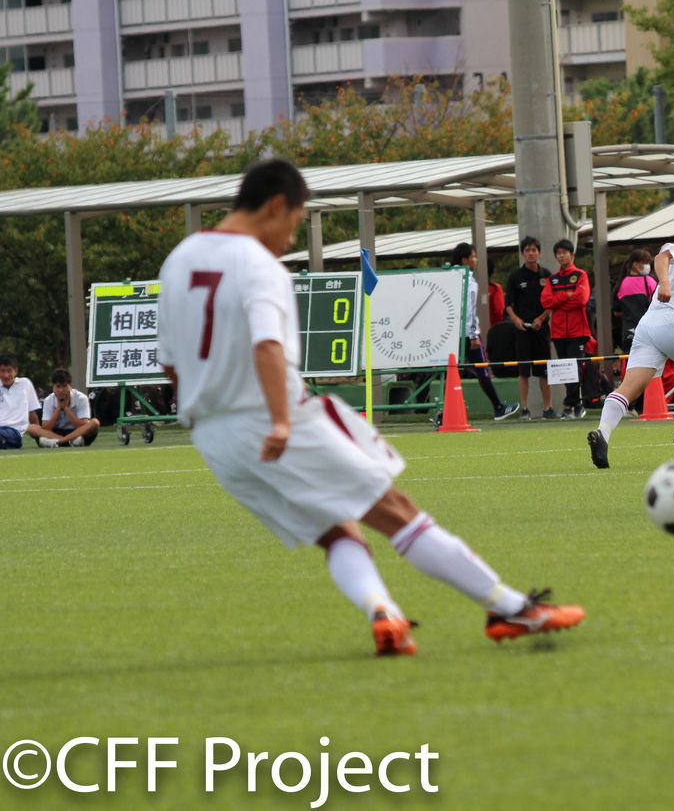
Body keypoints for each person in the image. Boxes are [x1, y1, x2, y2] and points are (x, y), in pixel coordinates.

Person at [156, 159, 583, 656]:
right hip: (272, 422)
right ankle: (511, 608)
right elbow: (267, 346)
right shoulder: (257, 264)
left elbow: (170, 364)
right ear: (276, 205)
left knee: (335, 529)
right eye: (294, 223)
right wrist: (277, 419)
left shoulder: (180, 259)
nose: (291, 238)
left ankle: (383, 611)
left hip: (214, 440)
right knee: (395, 510)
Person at [587, 208, 674, 469]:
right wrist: (665, 284)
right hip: (673, 320)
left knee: (629, 388)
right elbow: (662, 256)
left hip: (649, 325)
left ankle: (602, 433)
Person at [450, 244, 520, 421]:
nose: (476, 260)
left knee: (450, 372)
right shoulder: (468, 279)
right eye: (473, 257)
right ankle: (498, 407)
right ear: (465, 260)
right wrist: (473, 334)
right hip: (467, 334)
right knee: (482, 370)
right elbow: (469, 311)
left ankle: (445, 411)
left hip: (449, 334)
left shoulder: (448, 276)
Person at [541, 239, 592, 419]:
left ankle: (569, 406)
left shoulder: (581, 275)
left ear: (572, 255)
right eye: (559, 253)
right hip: (558, 332)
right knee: (564, 370)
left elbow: (581, 299)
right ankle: (576, 405)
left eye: (565, 252)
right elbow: (545, 301)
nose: (562, 256)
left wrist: (559, 300)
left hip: (578, 331)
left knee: (575, 368)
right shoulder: (552, 278)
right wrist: (567, 295)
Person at [505, 237, 555, 420]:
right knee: (523, 371)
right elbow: (508, 304)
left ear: (539, 252)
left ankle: (548, 409)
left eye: (534, 250)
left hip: (541, 329)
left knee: (544, 370)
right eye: (527, 250)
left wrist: (541, 319)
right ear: (522, 253)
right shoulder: (515, 277)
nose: (531, 253)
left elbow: (552, 302)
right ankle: (525, 410)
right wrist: (516, 320)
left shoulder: (546, 274)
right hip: (522, 330)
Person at [0, 354, 59, 449]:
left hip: (14, 431)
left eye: (9, 371)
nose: (6, 375)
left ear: (16, 371)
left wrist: (39, 437)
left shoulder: (25, 384)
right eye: (2, 371)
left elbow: (32, 413)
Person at [39, 367, 100, 446]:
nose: (61, 390)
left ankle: (60, 442)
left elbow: (83, 425)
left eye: (64, 386)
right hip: (56, 432)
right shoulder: (49, 400)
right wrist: (58, 409)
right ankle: (69, 442)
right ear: (53, 387)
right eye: (58, 386)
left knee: (95, 423)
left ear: (70, 386)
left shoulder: (81, 398)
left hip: (77, 432)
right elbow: (46, 428)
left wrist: (66, 409)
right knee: (32, 428)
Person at [615, 250, 658, 352]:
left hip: (628, 333)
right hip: (648, 332)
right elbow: (658, 304)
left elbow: (617, 312)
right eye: (645, 263)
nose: (648, 266)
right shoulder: (648, 281)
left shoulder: (621, 283)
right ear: (635, 265)